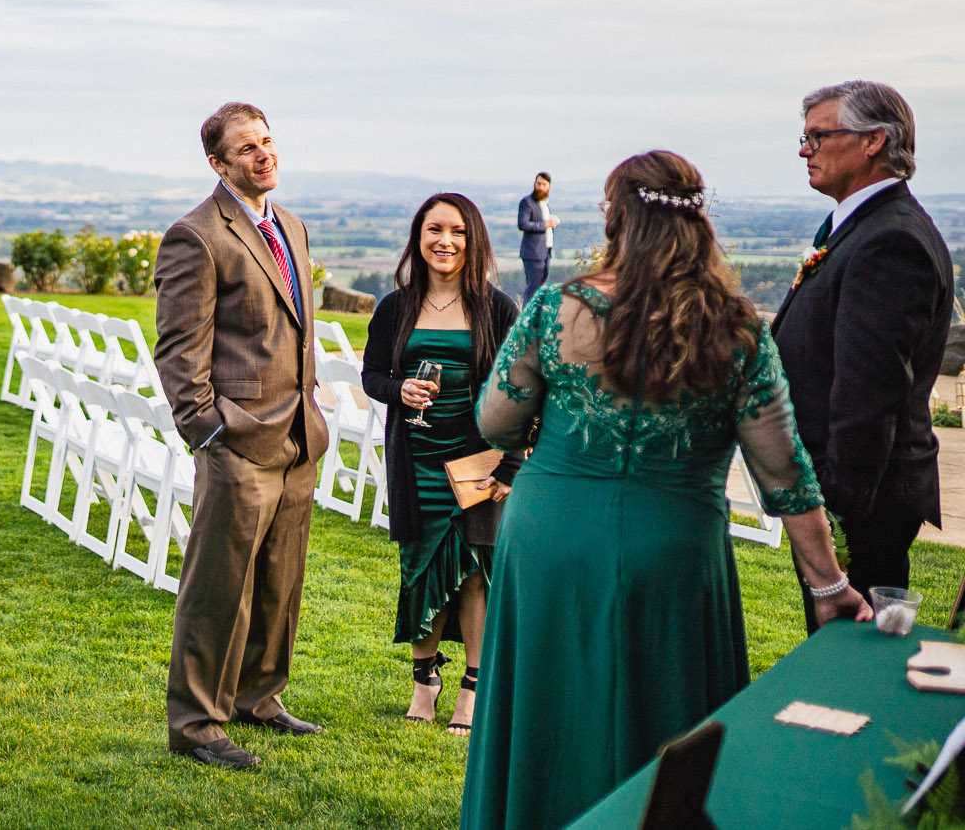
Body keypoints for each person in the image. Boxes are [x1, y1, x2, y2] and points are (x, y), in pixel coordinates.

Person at [461, 150, 868, 830]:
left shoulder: (553, 310)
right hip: (674, 549)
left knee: (547, 714)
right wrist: (828, 585)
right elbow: (784, 471)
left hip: (552, 541)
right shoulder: (737, 329)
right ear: (698, 224)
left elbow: (494, 422)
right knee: (664, 716)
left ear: (616, 218)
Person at [155, 102, 331, 771]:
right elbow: (179, 352)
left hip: (298, 438)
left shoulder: (291, 225)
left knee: (280, 584)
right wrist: (211, 431)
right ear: (218, 163)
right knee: (218, 590)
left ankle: (260, 697)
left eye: (267, 141)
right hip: (237, 443)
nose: (264, 154)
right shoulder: (196, 235)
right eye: (246, 148)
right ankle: (197, 723)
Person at [773, 80, 952, 628]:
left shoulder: (889, 240)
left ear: (873, 141)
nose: (805, 151)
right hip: (849, 488)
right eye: (804, 139)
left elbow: (869, 391)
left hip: (862, 499)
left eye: (818, 137)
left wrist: (834, 505)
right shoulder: (863, 226)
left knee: (851, 648)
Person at [359, 193, 520, 735]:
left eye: (457, 231)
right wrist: (399, 389)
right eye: (434, 229)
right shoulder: (394, 307)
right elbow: (372, 375)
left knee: (474, 575)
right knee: (418, 570)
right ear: (418, 237)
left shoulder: (499, 309)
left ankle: (472, 689)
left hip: (478, 461)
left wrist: (511, 466)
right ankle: (424, 680)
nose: (445, 241)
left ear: (474, 240)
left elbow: (520, 392)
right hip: (416, 458)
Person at [514, 174, 555, 304]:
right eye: (538, 184)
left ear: (549, 187)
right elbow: (523, 224)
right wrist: (545, 224)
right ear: (534, 184)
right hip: (533, 253)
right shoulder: (527, 202)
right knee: (532, 290)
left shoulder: (544, 204)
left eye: (544, 185)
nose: (540, 187)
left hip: (545, 252)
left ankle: (536, 313)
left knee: (540, 289)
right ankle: (528, 314)